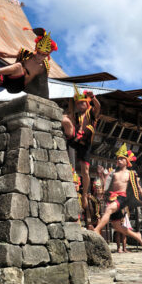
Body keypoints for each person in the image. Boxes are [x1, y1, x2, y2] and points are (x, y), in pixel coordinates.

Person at [93, 144, 142, 247]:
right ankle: (136, 235)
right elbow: (106, 186)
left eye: (122, 159)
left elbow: (138, 186)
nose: (119, 161)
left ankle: (97, 229)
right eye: (118, 159)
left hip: (123, 197)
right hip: (112, 197)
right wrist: (101, 175)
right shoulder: (113, 173)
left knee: (109, 209)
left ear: (127, 161)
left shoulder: (131, 173)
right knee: (117, 226)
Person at [62, 85, 101, 220]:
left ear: (87, 102)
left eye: (83, 102)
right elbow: (69, 114)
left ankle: (84, 193)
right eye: (78, 103)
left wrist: (93, 97)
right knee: (65, 120)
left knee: (85, 172)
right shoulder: (76, 114)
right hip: (75, 139)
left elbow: (98, 107)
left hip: (85, 145)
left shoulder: (92, 114)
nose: (80, 105)